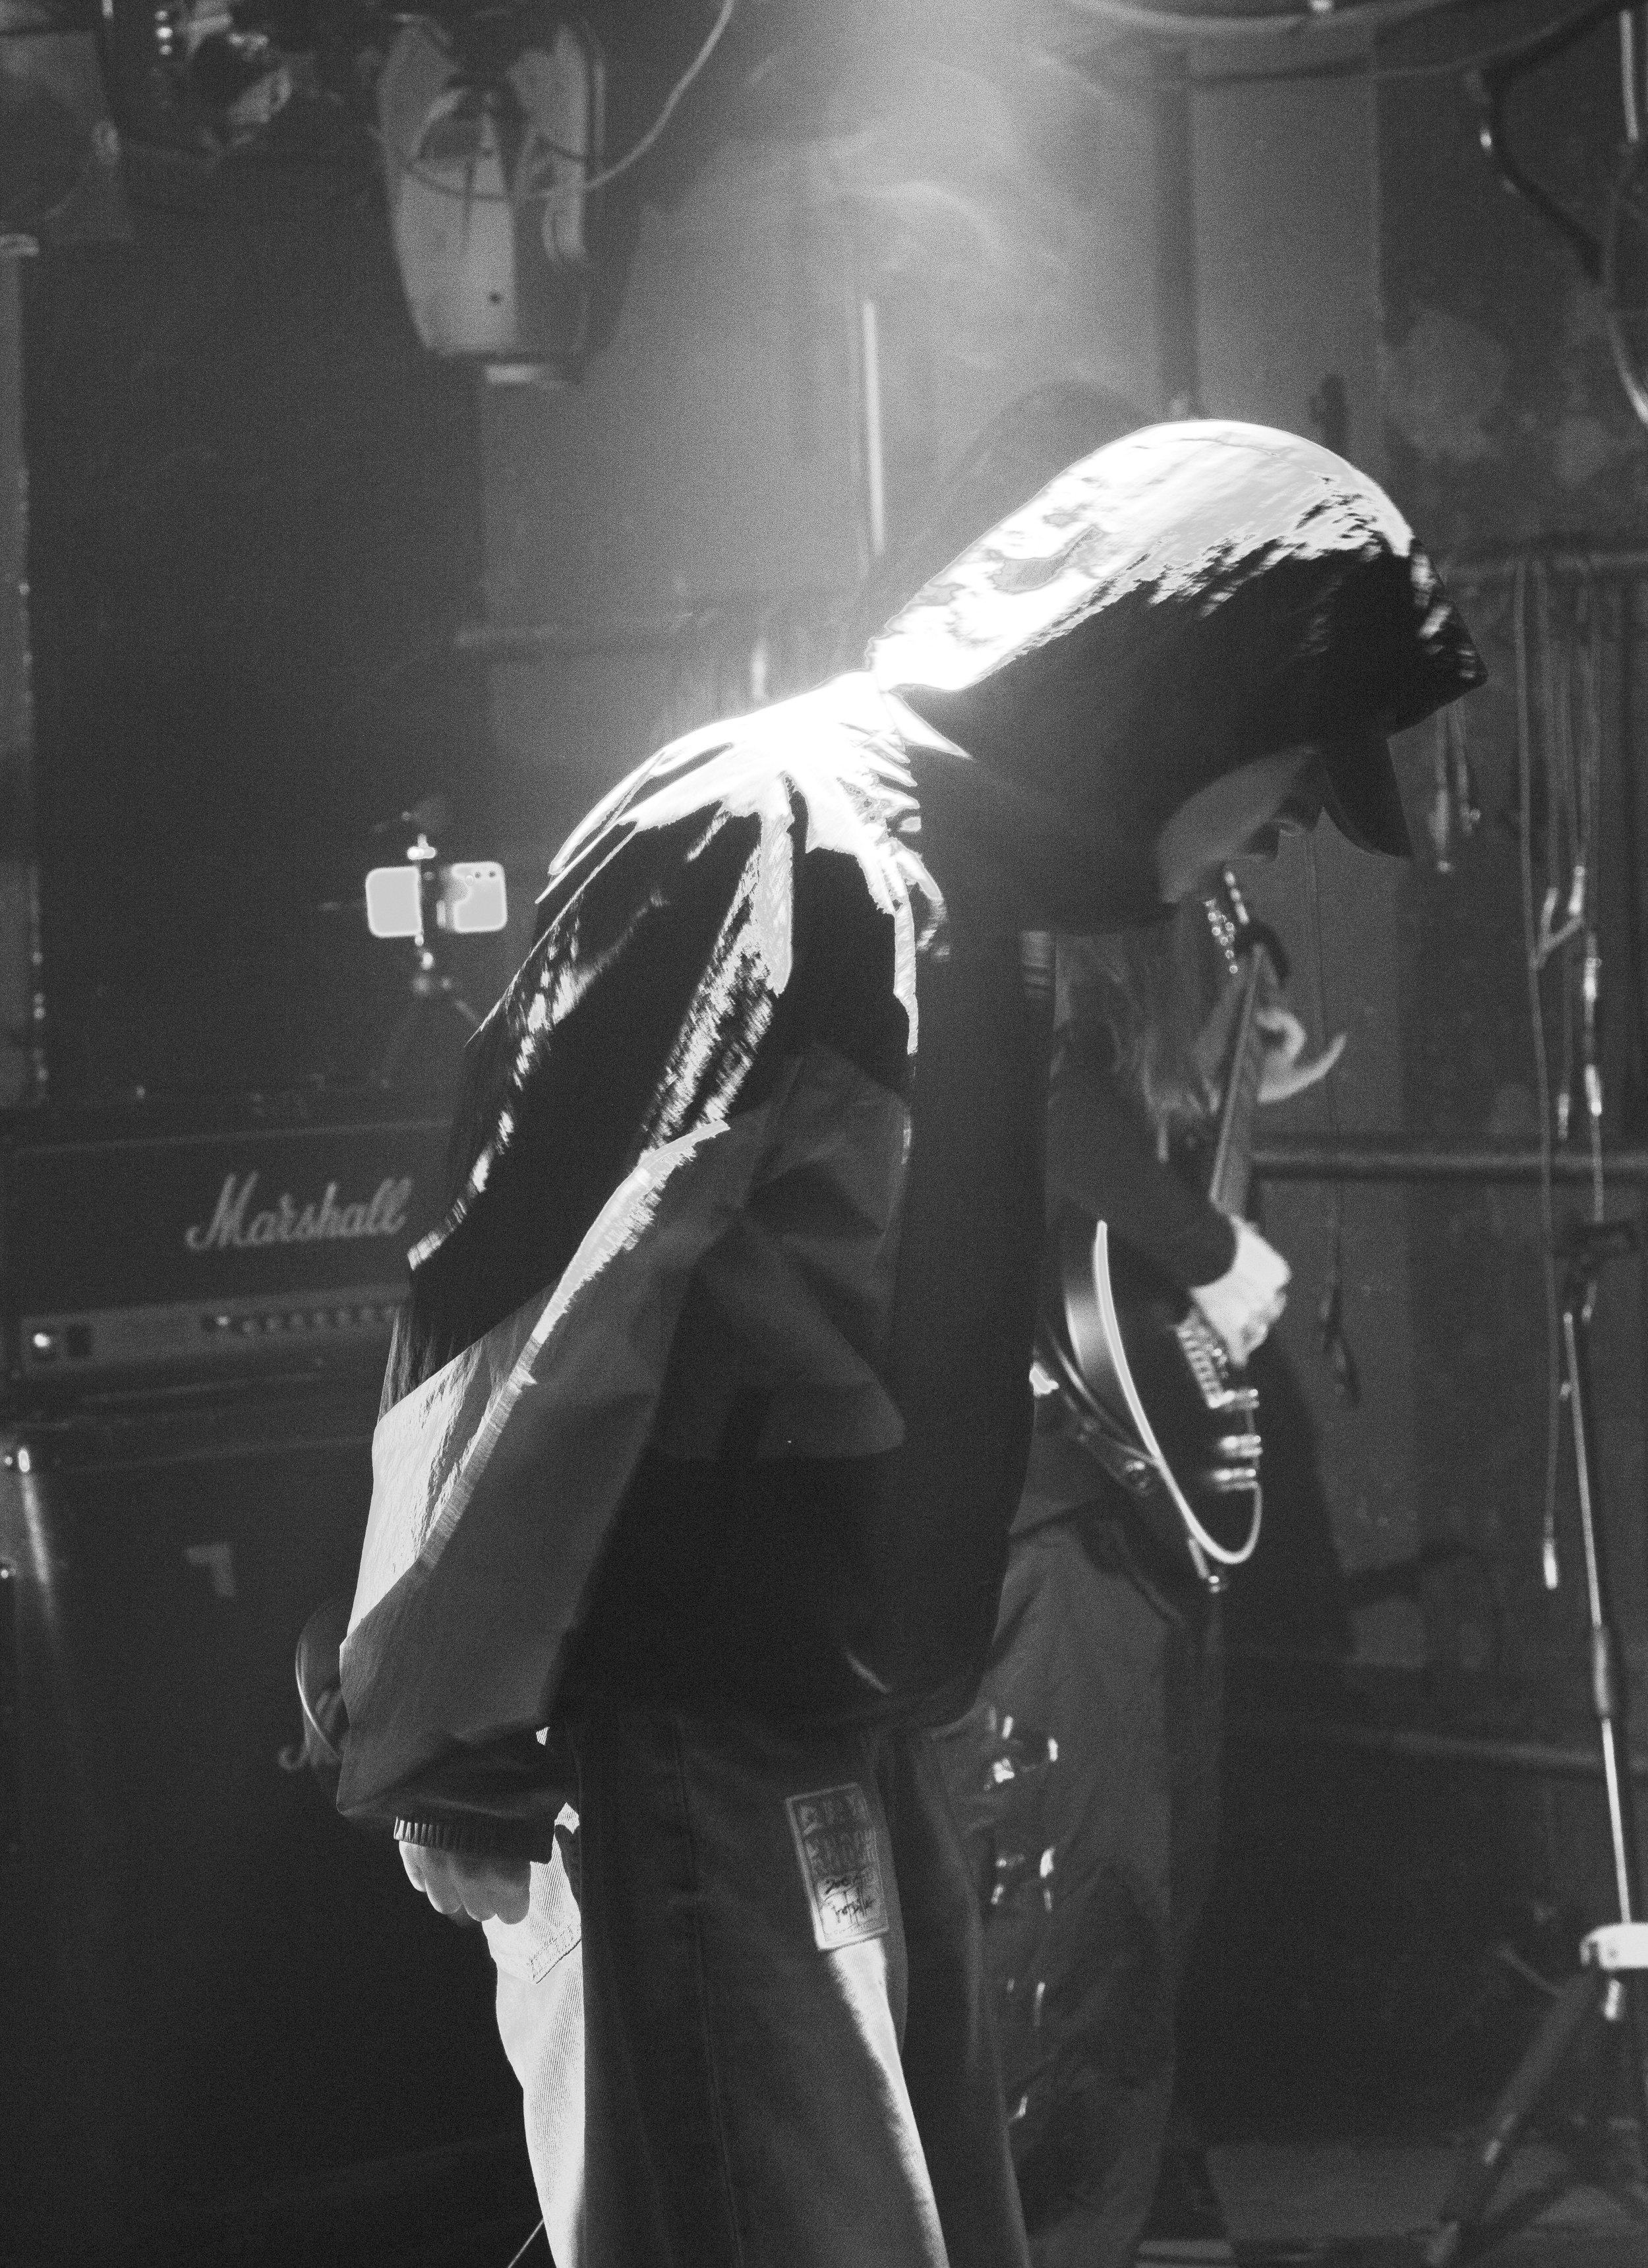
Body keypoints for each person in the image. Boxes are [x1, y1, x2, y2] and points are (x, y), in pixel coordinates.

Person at [315, 419, 1483, 2268]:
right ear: (1181, 694)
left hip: (835, 1723)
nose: (1277, 832)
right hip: (687, 1729)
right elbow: (532, 1307)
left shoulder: (955, 882)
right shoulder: (775, 838)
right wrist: (442, 1723)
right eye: (1288, 777)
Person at [937, 901, 1334, 2268]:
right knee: (1075, 1937)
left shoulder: (1129, 1002)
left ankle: (1098, 2219)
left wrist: (1225, 1069)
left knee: (1141, 1917)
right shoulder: (1040, 953)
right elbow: (1049, 1111)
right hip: (1052, 1523)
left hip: (1133, 1520)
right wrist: (1213, 1251)